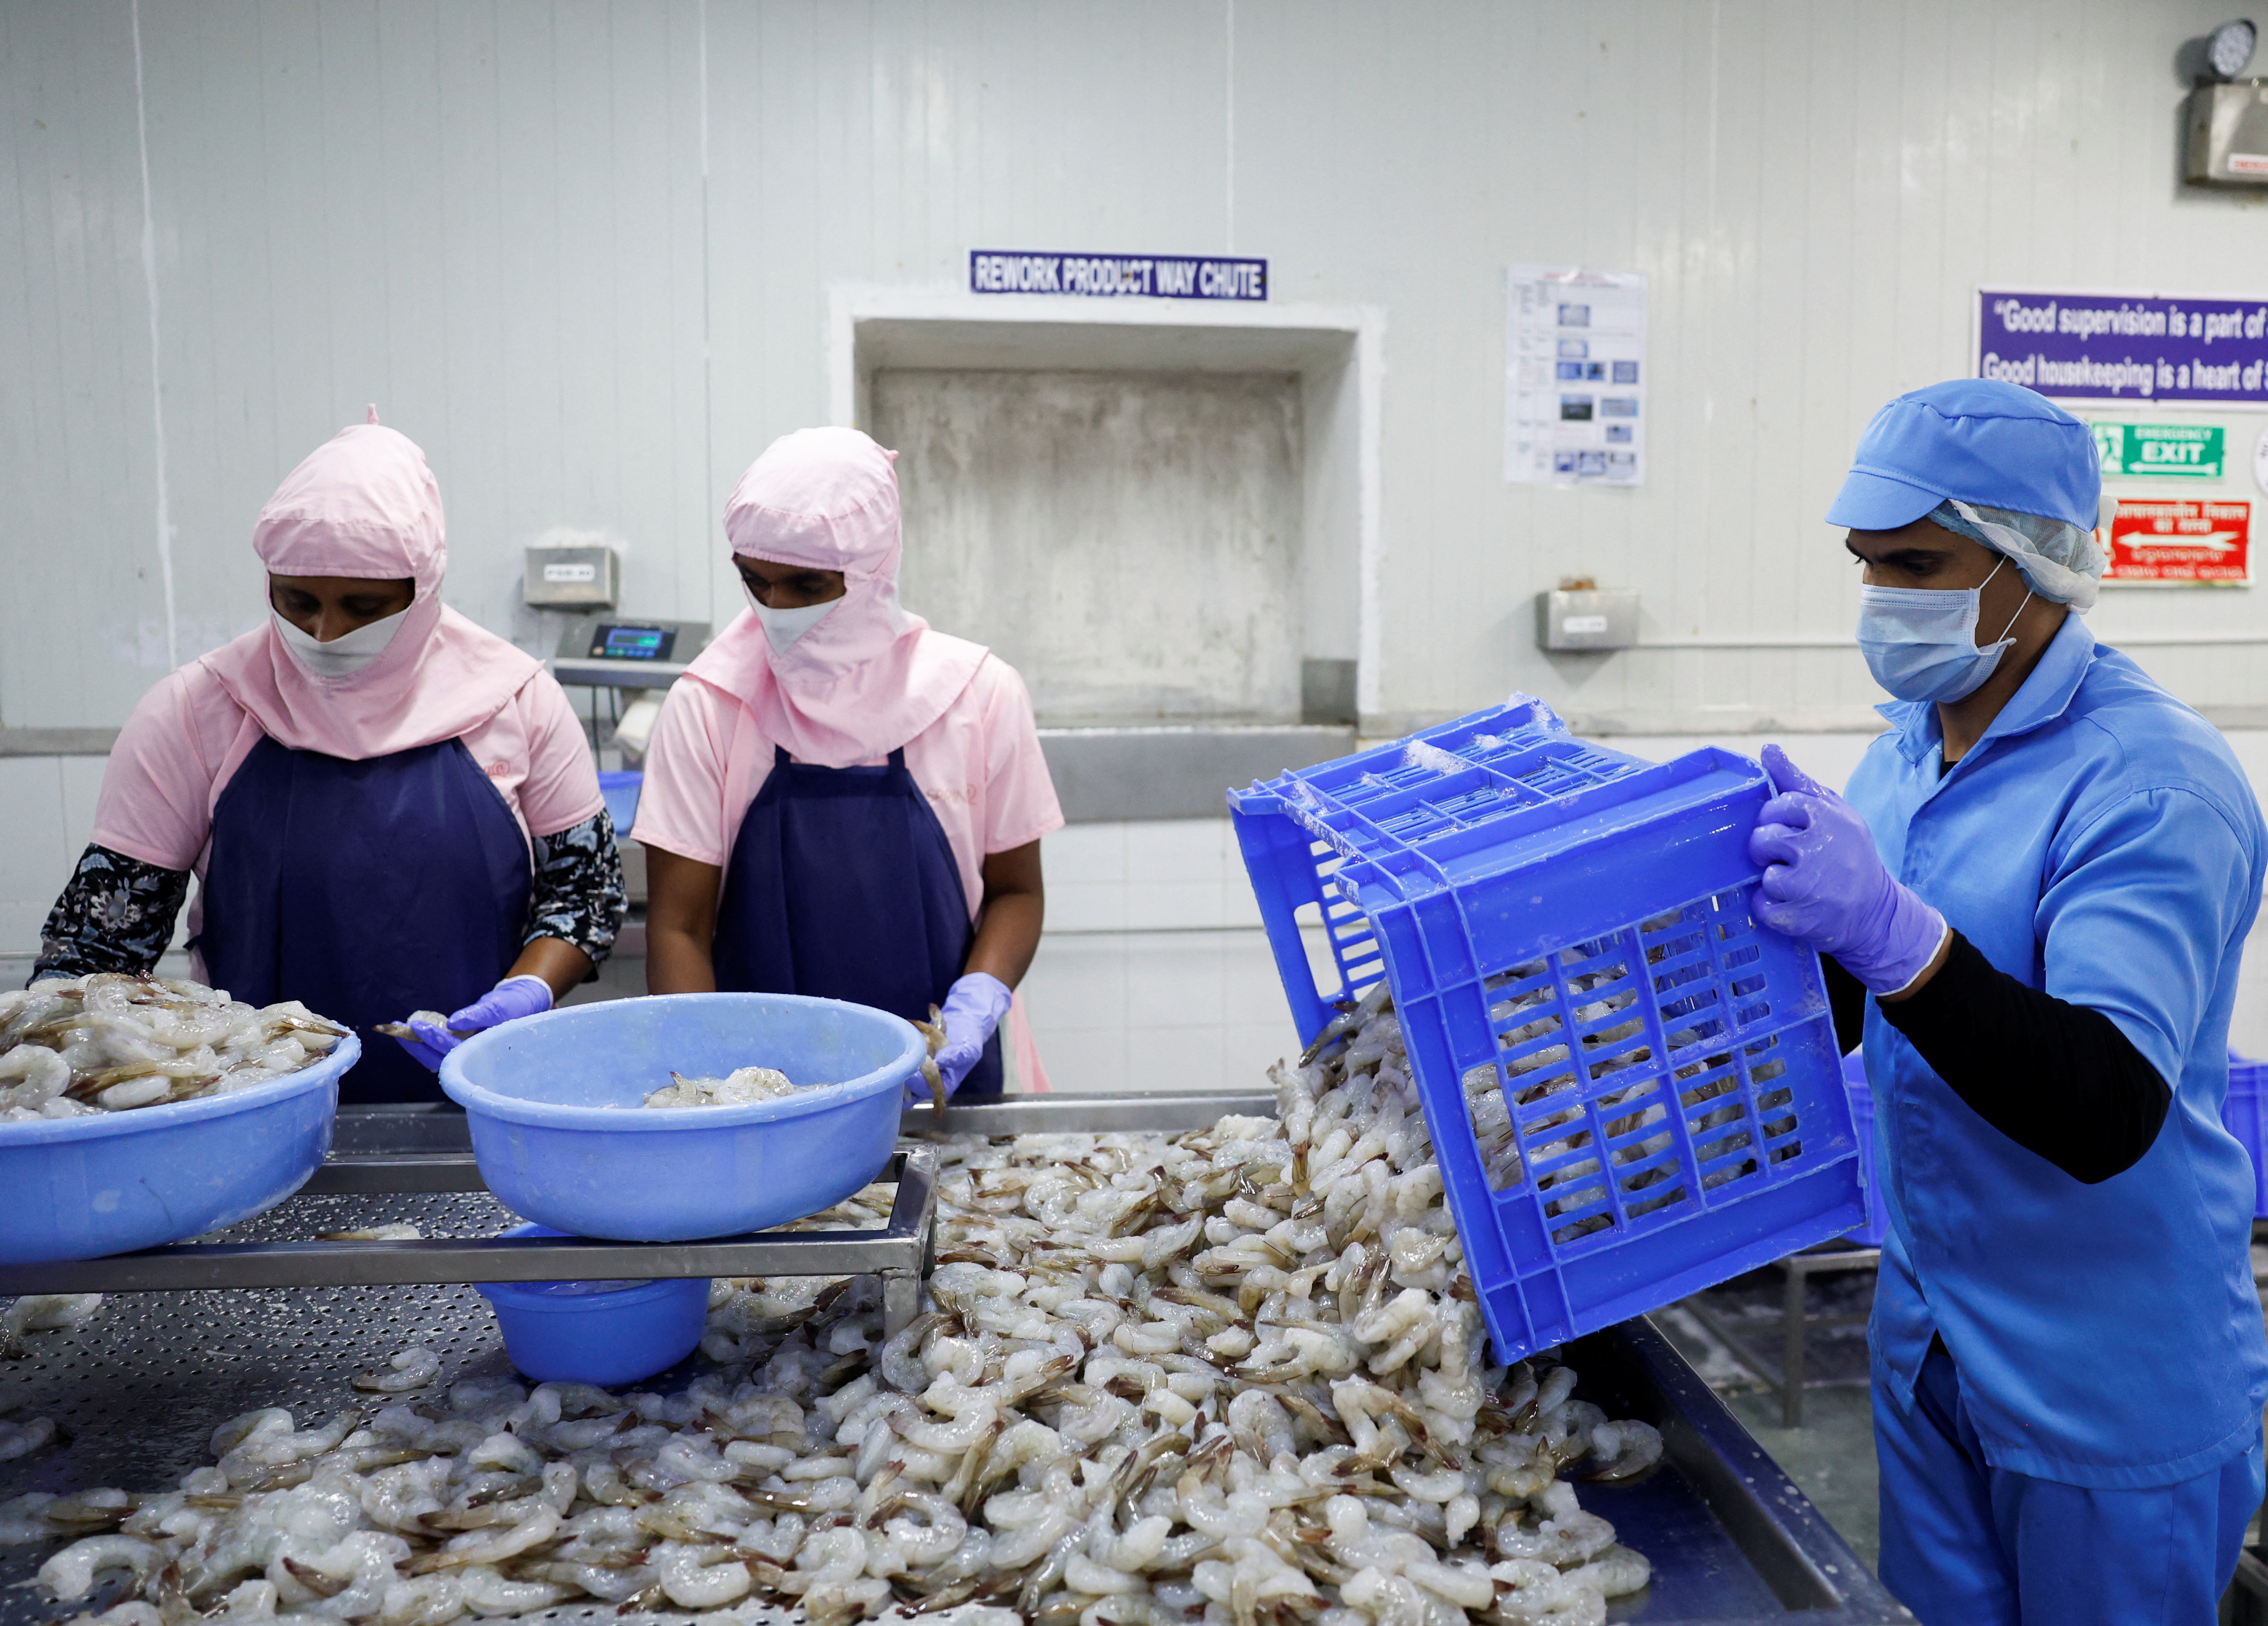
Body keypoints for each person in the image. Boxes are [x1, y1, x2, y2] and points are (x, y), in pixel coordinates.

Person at [1749, 378, 2268, 1624]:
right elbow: (1867, 996)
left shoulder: (2150, 784)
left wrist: (1886, 932)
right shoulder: (1911, 742)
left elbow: (2102, 1105)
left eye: (1917, 562)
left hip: (2100, 1372)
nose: (1882, 597)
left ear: (2033, 560)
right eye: (1867, 564)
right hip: (1932, 1337)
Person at [33, 416, 625, 1102]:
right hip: (253, 1114)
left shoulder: (515, 700)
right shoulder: (199, 710)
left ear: (423, 586)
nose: (325, 633)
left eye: (364, 606)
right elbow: (98, 951)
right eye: (299, 601)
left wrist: (526, 990)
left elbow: (584, 894)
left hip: (484, 1103)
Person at [635, 427, 1060, 1097]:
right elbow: (679, 925)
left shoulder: (976, 694)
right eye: (756, 582)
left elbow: (1016, 891)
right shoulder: (709, 704)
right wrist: (712, 1091)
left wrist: (976, 1005)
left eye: (807, 586)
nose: (776, 610)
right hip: (762, 1100)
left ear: (873, 569)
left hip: (942, 1086)